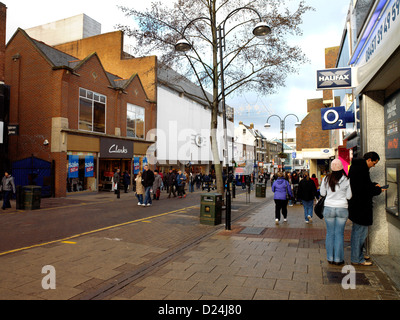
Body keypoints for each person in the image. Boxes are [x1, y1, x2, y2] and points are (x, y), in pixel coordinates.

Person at [348, 152, 385, 266]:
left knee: (357, 232)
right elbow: (364, 190)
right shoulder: (362, 170)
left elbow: (363, 185)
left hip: (355, 206)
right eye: (374, 163)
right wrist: (378, 190)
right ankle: (357, 258)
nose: (373, 166)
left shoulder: (356, 167)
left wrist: (373, 185)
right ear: (369, 160)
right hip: (361, 207)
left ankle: (357, 254)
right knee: (360, 233)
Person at [320, 159, 352, 266]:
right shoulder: (347, 179)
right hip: (342, 208)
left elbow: (322, 193)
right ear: (341, 168)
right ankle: (338, 259)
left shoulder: (326, 179)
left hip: (329, 208)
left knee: (330, 233)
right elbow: (349, 196)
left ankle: (330, 257)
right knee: (339, 234)